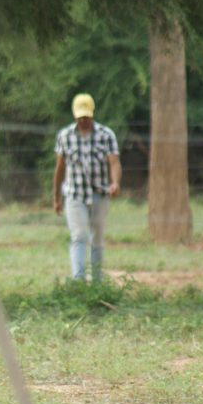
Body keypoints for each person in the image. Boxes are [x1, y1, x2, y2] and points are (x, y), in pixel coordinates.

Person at [53, 93, 122, 282]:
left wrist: (115, 182)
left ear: (92, 114)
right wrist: (56, 198)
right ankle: (79, 281)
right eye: (80, 117)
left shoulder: (106, 135)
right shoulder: (65, 136)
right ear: (75, 115)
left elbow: (114, 162)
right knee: (79, 235)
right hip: (75, 195)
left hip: (100, 195)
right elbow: (60, 168)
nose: (83, 120)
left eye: (86, 116)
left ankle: (97, 281)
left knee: (97, 238)